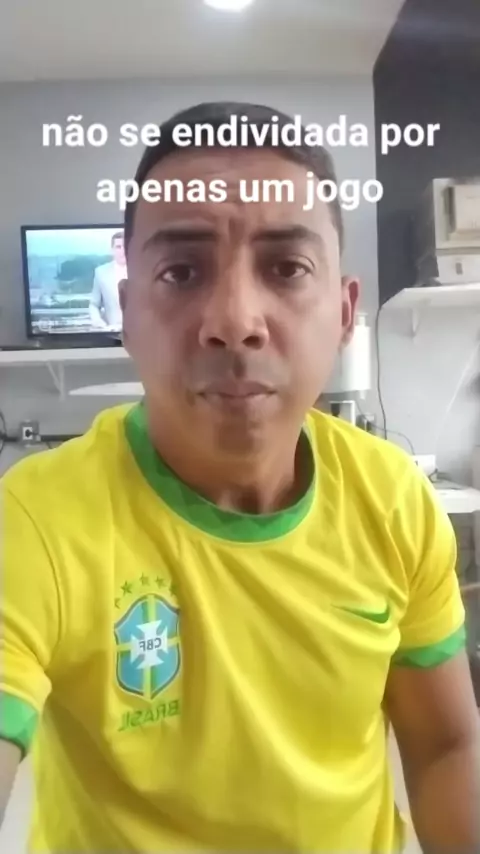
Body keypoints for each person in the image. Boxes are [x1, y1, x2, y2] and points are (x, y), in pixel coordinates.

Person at [1, 102, 479, 854]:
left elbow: (447, 744)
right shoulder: (36, 518)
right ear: (126, 311)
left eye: (286, 268)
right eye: (181, 271)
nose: (234, 320)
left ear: (344, 313)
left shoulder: (393, 500)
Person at [89, 230, 126, 329]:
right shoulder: (101, 272)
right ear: (112, 250)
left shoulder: (142, 271)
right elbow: (94, 304)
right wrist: (99, 323)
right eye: (118, 247)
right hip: (112, 332)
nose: (123, 250)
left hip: (140, 333)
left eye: (125, 246)